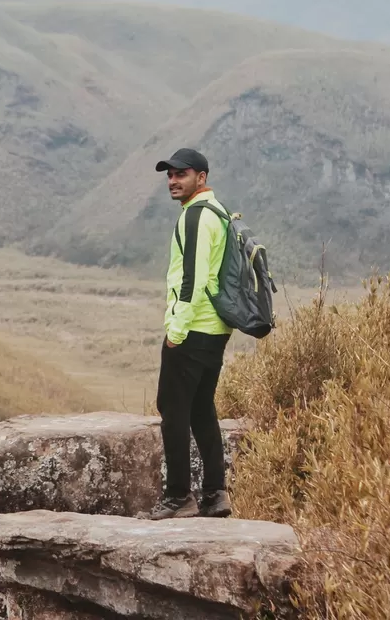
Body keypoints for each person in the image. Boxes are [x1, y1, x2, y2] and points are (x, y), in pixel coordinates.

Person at [142, 148, 234, 521]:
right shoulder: (219, 212)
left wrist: (175, 330)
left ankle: (179, 496)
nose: (173, 181)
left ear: (202, 176)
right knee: (200, 408)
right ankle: (215, 494)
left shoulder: (196, 217)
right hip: (216, 328)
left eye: (181, 174)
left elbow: (192, 278)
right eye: (169, 175)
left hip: (193, 328)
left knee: (173, 409)